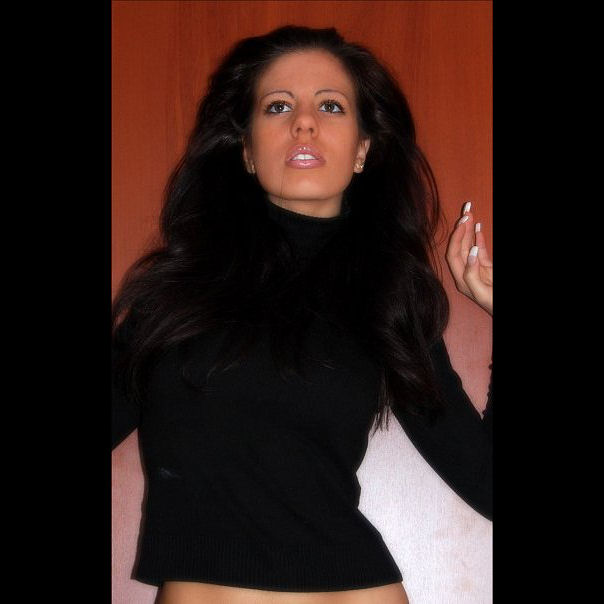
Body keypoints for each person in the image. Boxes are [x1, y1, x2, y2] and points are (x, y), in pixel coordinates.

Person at [112, 25, 492, 604]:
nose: (305, 122)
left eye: (331, 106)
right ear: (245, 149)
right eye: (278, 106)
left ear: (363, 150)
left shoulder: (389, 299)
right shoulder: (173, 297)